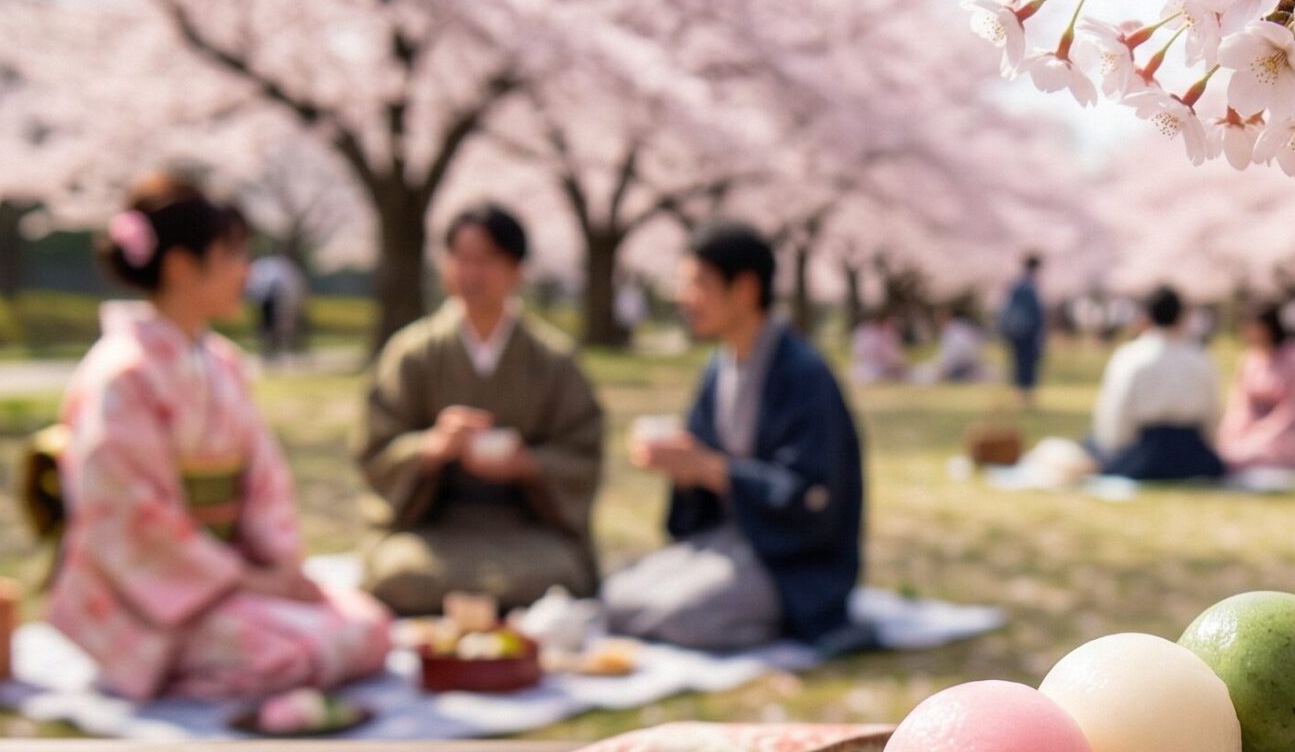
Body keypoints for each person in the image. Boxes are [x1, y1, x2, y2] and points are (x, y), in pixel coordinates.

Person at [51, 174, 390, 701]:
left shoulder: (223, 362)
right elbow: (129, 512)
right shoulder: (122, 375)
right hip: (155, 592)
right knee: (296, 651)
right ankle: (166, 661)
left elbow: (262, 479)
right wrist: (243, 580)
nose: (246, 273)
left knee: (368, 626)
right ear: (183, 266)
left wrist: (277, 568)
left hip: (230, 577)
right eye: (233, 256)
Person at [605, 223, 867, 651]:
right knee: (617, 599)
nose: (684, 298)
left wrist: (711, 469)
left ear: (744, 288)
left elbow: (810, 496)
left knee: (684, 615)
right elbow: (701, 465)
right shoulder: (718, 367)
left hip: (789, 561)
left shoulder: (804, 374)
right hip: (729, 541)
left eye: (698, 284)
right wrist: (683, 466)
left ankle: (783, 618)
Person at [357, 205, 605, 615]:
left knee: (557, 574)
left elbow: (583, 453)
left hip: (525, 528)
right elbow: (376, 448)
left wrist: (527, 464)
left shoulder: (553, 359)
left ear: (517, 270)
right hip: (435, 526)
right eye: (461, 259)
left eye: (487, 260)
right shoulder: (414, 353)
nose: (472, 273)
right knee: (400, 575)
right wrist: (432, 448)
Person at [1091, 286, 1225, 481]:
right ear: (1181, 317)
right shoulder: (1200, 357)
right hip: (1193, 455)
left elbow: (1115, 413)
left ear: (1147, 316)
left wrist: (1116, 448)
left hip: (1145, 453)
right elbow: (1213, 411)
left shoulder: (1130, 357)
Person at [1217, 305, 1295, 472]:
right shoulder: (1249, 359)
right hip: (1253, 430)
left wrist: (1261, 431)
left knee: (1253, 452)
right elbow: (1241, 405)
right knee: (1227, 448)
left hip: (1287, 434)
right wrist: (1239, 429)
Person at [998, 253, 1047, 408]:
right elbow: (1037, 313)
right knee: (1027, 363)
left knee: (1018, 362)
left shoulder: (1017, 284)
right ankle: (1025, 397)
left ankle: (1020, 396)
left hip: (1015, 330)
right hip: (1028, 331)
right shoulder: (1029, 285)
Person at [245, 252, 307, 359]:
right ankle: (271, 349)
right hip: (270, 306)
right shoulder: (278, 272)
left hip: (271, 306)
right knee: (269, 329)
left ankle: (273, 348)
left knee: (272, 329)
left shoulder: (268, 272)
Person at [850, 310, 906, 386]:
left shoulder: (887, 333)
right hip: (872, 368)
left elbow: (894, 354)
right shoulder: (867, 334)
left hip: (881, 367)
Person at [934, 307, 988, 384]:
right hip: (968, 365)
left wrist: (943, 370)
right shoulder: (957, 327)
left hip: (962, 368)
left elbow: (954, 356)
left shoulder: (952, 330)